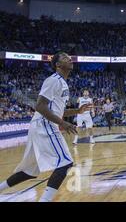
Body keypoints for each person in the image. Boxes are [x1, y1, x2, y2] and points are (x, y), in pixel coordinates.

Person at [0, 52, 92, 202]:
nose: (69, 58)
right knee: (65, 163)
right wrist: (62, 123)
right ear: (57, 65)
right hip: (45, 124)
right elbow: (40, 106)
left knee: (29, 172)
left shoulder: (62, 82)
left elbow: (56, 110)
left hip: (40, 125)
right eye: (64, 57)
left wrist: (77, 111)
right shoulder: (53, 80)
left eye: (69, 57)